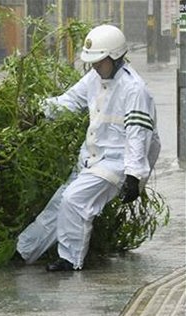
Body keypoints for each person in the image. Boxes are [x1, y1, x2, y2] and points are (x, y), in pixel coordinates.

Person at [16, 24, 161, 271]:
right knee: (60, 203)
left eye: (99, 61)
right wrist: (39, 111)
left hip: (116, 165)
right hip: (91, 160)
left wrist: (134, 177)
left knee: (74, 200)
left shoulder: (134, 89)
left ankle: (70, 260)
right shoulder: (95, 78)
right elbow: (69, 101)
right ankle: (23, 251)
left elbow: (139, 136)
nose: (94, 65)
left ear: (115, 57)